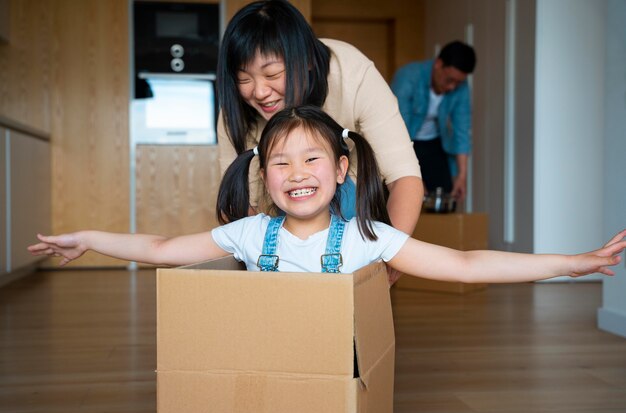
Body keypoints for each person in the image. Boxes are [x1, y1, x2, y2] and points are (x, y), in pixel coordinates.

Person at [28, 106, 625, 285]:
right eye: (279, 163)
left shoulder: (371, 239)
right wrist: (86, 239)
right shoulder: (250, 234)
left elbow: (465, 264)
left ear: (342, 169)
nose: (296, 173)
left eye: (311, 158)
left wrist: (573, 263)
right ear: (263, 177)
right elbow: (159, 246)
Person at [216, 0, 423, 242]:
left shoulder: (352, 75)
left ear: (307, 61)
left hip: (354, 210)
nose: (260, 92)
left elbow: (404, 177)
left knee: (342, 195)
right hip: (276, 228)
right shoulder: (235, 110)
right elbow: (235, 202)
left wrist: (388, 257)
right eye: (244, 79)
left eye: (272, 74)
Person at [391, 40, 476, 202]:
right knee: (407, 194)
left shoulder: (461, 87)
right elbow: (398, 129)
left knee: (443, 194)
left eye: (458, 82)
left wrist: (462, 175)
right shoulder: (408, 77)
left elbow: (462, 130)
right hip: (403, 141)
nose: (452, 87)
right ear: (438, 64)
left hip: (434, 143)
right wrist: (414, 177)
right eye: (449, 80)